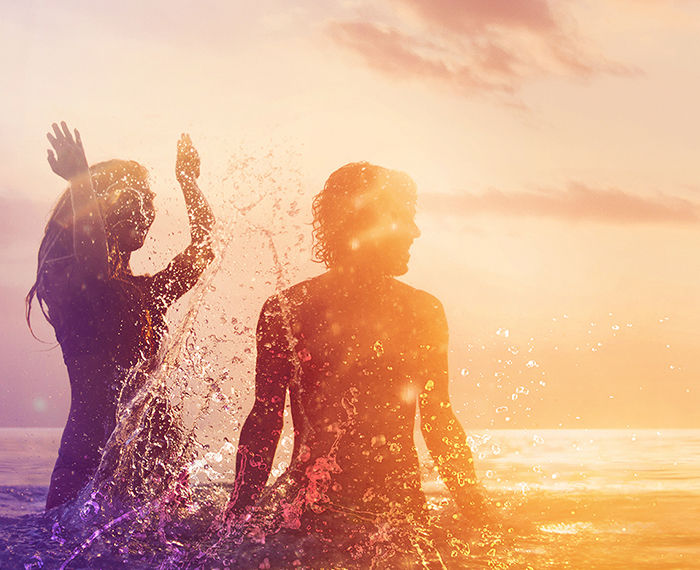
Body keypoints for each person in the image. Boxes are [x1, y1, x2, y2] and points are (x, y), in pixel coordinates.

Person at [221, 162, 482, 566]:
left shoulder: (289, 309)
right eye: (405, 217)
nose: (415, 232)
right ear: (367, 222)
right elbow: (439, 423)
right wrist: (479, 515)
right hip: (392, 528)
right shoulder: (416, 311)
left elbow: (264, 422)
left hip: (310, 527)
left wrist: (233, 522)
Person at [26, 122, 215, 511]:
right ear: (103, 206)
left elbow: (203, 249)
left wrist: (188, 181)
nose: (149, 209)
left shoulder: (144, 292)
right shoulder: (76, 287)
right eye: (136, 197)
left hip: (157, 468)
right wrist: (80, 182)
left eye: (151, 198)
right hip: (92, 465)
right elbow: (94, 268)